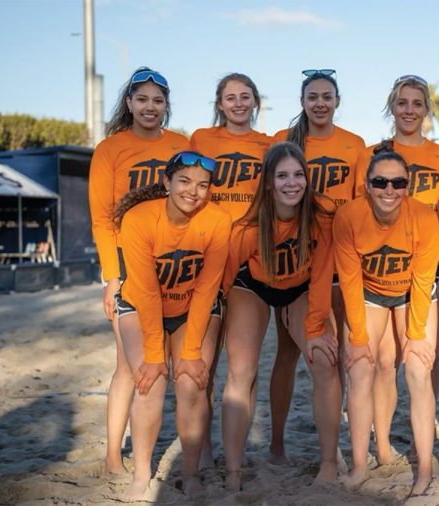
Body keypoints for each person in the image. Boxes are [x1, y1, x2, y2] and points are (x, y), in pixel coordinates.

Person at [112, 151, 232, 499]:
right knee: (150, 381)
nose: (193, 192)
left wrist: (191, 352)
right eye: (184, 181)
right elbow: (147, 291)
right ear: (167, 183)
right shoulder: (139, 219)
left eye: (203, 185)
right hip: (140, 304)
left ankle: (191, 471)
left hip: (192, 306)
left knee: (192, 381)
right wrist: (153, 354)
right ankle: (143, 471)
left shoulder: (217, 221)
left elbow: (208, 288)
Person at [88, 67, 189, 477]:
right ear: (128, 103)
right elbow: (100, 219)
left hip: (176, 261)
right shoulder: (110, 149)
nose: (150, 107)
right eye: (142, 99)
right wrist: (112, 277)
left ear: (167, 106)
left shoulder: (182, 144)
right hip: (128, 264)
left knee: (177, 362)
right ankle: (114, 456)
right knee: (130, 364)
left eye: (158, 100)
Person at [221, 141, 339, 487]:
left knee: (324, 360)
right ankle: (232, 470)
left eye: (299, 174)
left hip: (300, 288)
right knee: (241, 368)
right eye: (283, 175)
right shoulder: (248, 227)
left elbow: (320, 277)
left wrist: (316, 327)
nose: (292, 183)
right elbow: (223, 281)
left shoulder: (320, 219)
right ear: (269, 182)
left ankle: (328, 463)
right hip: (253, 286)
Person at [269, 69, 366, 462]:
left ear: (338, 101)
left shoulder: (355, 144)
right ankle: (277, 443)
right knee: (289, 353)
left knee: (339, 350)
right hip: (296, 259)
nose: (320, 103)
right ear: (303, 101)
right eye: (313, 96)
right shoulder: (284, 142)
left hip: (340, 253)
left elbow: (361, 201)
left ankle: (339, 444)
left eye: (327, 96)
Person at [335, 147, 439, 495]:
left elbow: (424, 280)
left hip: (413, 293)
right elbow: (349, 280)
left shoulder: (424, 218)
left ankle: (424, 469)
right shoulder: (350, 216)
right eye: (380, 182)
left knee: (416, 367)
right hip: (369, 291)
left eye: (398, 182)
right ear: (367, 184)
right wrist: (359, 336)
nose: (389, 190)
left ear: (408, 186)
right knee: (364, 364)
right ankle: (365, 461)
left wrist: (414, 334)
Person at [356, 75, 439, 419]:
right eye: (402, 103)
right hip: (384, 271)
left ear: (427, 109)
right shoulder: (371, 154)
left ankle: (420, 439)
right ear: (391, 108)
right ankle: (378, 433)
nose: (409, 110)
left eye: (416, 103)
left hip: (434, 267)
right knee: (384, 360)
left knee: (426, 356)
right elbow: (360, 212)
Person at [190, 72, 272, 220]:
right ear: (220, 104)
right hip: (208, 232)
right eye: (230, 98)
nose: (239, 104)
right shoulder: (201, 138)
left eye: (245, 97)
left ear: (255, 102)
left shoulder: (269, 144)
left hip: (252, 234)